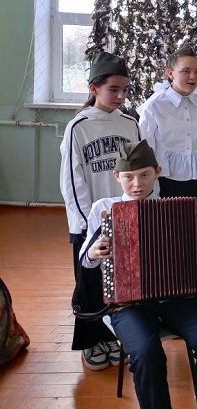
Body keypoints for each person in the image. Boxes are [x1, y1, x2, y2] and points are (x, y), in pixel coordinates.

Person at [78, 140, 197, 409]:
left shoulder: (180, 208)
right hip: (127, 305)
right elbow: (85, 260)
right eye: (129, 177)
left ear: (158, 171)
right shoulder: (105, 208)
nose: (137, 184)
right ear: (116, 176)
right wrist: (94, 252)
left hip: (175, 300)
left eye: (145, 175)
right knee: (146, 353)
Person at [60, 51, 139, 371]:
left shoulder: (130, 124)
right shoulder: (78, 126)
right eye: (113, 89)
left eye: (125, 90)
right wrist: (86, 225)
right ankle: (91, 340)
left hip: (123, 217)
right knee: (90, 281)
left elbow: (141, 169)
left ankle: (112, 335)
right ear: (94, 89)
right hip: (90, 223)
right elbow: (72, 180)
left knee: (118, 280)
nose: (120, 96)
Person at [138, 45, 197, 199]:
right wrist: (152, 192)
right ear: (170, 73)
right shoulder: (154, 107)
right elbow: (147, 152)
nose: (193, 77)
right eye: (186, 71)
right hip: (166, 181)